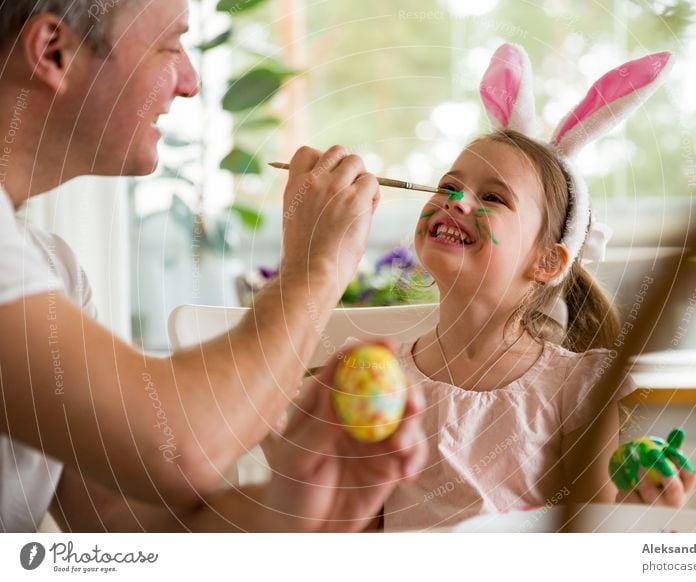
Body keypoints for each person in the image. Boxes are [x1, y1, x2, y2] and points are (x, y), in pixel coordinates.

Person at [0, 0, 426, 532]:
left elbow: (118, 529)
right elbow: (179, 448)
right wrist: (316, 268)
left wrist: (291, 506)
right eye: (170, 46)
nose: (189, 83)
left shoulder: (49, 267)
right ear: (53, 52)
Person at [379, 45, 696, 531]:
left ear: (547, 261)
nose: (456, 201)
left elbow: (591, 538)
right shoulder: (384, 380)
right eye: (448, 187)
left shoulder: (576, 388)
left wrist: (639, 515)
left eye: (491, 196)